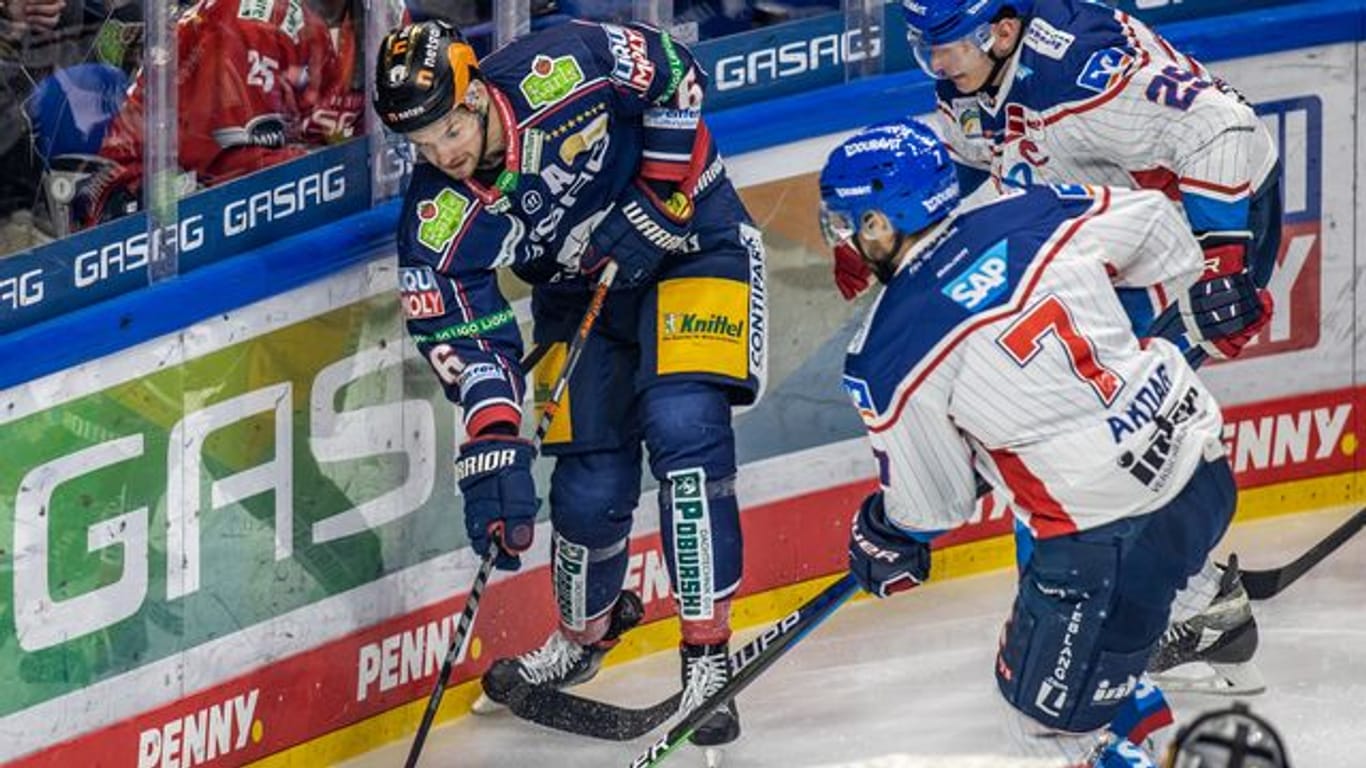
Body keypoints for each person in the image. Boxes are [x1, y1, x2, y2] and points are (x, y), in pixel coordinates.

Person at [839, 0, 1279, 695]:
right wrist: (887, 235)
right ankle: (1196, 600)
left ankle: (1124, 620)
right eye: (925, 46)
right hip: (1109, 230)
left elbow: (1223, 124)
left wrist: (1223, 254)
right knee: (1067, 437)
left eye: (948, 45)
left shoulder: (1076, 66)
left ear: (1003, 30)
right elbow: (981, 166)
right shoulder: (974, 74)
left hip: (1196, 232)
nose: (939, 62)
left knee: (1070, 448)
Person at [373, 18, 767, 751]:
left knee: (684, 428)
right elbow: (467, 337)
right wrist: (493, 437)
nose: (445, 156)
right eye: (423, 146)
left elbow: (676, 70)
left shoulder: (560, 63)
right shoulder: (435, 221)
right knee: (587, 482)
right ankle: (584, 636)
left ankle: (707, 656)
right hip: (583, 289)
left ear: (477, 91)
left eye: (450, 130)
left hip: (691, 240)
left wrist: (657, 189)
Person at [821, 118, 1237, 764]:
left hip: (1106, 532)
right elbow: (1162, 227)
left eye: (847, 223)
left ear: (881, 222)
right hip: (1200, 470)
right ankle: (1163, 745)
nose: (843, 240)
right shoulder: (1034, 211)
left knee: (1043, 730)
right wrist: (1111, 337)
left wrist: (884, 528)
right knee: (1105, 656)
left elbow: (934, 508)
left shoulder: (885, 352)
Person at [79, 0, 360, 228]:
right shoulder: (247, 21)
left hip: (208, 193)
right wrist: (337, 168)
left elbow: (327, 125)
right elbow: (232, 164)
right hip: (144, 207)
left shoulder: (323, 22)